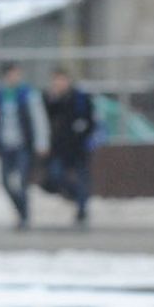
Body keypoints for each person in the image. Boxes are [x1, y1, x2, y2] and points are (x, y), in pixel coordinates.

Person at [0, 63, 50, 230]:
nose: (14, 78)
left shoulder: (28, 94)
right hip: (5, 146)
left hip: (22, 145)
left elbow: (39, 119)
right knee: (4, 181)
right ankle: (20, 210)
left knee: (21, 181)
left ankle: (25, 216)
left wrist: (42, 142)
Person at [43, 68, 95, 227]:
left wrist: (82, 134)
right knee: (56, 174)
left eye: (61, 80)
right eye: (56, 80)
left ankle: (82, 209)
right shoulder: (51, 100)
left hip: (78, 146)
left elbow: (90, 120)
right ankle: (76, 196)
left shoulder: (79, 98)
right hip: (59, 147)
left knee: (82, 177)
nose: (59, 84)